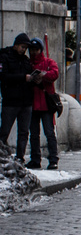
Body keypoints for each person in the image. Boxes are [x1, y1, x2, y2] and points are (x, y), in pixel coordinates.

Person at [0, 33, 33, 161]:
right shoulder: (5, 57)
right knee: (5, 130)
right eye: (22, 47)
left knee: (24, 132)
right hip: (11, 101)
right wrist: (23, 78)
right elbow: (3, 77)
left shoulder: (25, 60)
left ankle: (20, 156)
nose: (23, 50)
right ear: (16, 45)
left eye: (25, 48)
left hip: (26, 101)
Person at [26, 39, 58, 170]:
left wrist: (43, 75)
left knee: (49, 132)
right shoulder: (28, 63)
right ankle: (35, 159)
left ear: (41, 50)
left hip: (46, 104)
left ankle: (53, 158)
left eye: (36, 50)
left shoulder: (49, 62)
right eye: (32, 50)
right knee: (33, 134)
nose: (34, 52)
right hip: (32, 103)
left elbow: (55, 73)